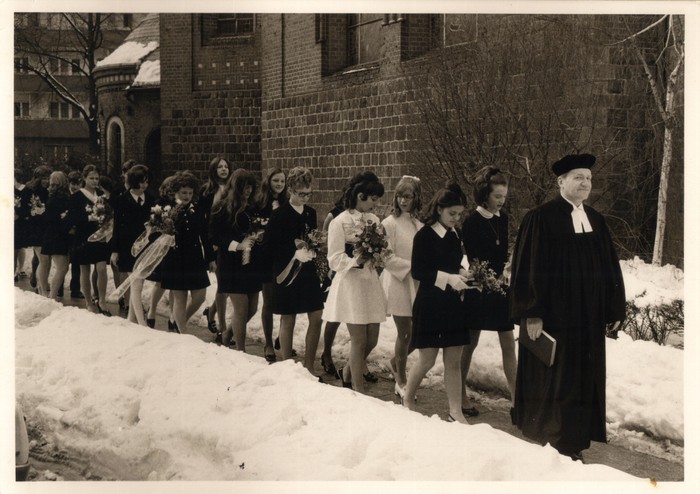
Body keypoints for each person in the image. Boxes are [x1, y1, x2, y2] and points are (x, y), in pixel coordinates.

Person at [509, 153, 625, 461]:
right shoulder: (541, 218)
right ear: (561, 182)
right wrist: (532, 313)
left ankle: (574, 440)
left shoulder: (596, 220)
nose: (586, 183)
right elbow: (530, 268)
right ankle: (555, 441)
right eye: (578, 177)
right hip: (556, 316)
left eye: (589, 178)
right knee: (558, 377)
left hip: (588, 318)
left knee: (582, 377)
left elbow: (610, 268)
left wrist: (614, 307)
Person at [403, 182, 477, 424]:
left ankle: (455, 412)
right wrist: (449, 278)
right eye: (452, 213)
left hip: (452, 305)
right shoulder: (424, 235)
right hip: (430, 305)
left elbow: (452, 263)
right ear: (438, 209)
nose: (456, 218)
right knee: (427, 359)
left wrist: (462, 273)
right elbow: (419, 271)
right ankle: (407, 398)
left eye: (459, 214)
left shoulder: (454, 234)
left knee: (453, 361)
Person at [322, 171, 390, 394]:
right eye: (373, 199)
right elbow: (334, 258)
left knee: (372, 339)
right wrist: (355, 261)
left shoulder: (374, 221)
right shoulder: (339, 221)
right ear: (361, 196)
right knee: (358, 339)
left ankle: (348, 370)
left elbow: (382, 248)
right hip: (351, 285)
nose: (375, 204)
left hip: (369, 283)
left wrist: (379, 255)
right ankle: (357, 388)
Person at [460, 166, 515, 417]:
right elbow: (474, 259)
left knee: (508, 342)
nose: (501, 201)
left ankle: (516, 399)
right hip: (479, 287)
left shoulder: (503, 218)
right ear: (485, 195)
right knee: (470, 342)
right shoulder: (472, 221)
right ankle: (460, 393)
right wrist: (486, 277)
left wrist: (507, 269)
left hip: (500, 287)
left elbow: (502, 252)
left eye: (504, 196)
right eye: (497, 196)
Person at [263, 167, 323, 373]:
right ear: (290, 190)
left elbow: (312, 238)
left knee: (317, 315)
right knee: (288, 317)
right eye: (301, 194)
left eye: (308, 194)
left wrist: (313, 251)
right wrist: (292, 253)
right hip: (286, 273)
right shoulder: (279, 214)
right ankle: (287, 367)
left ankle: (309, 366)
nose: (305, 198)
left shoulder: (310, 213)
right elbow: (268, 247)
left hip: (308, 272)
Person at [209, 169, 262, 350]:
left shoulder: (252, 207)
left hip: (251, 264)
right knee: (241, 308)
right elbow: (214, 235)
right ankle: (241, 350)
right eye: (244, 187)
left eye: (250, 187)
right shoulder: (222, 207)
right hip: (230, 264)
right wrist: (236, 245)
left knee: (252, 309)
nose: (248, 191)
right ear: (236, 187)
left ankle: (228, 333)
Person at [380, 175, 423, 399]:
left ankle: (395, 362)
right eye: (400, 196)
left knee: (418, 333)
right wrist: (413, 267)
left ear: (416, 198)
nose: (403, 201)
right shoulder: (389, 224)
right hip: (398, 282)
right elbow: (387, 258)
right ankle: (401, 381)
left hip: (416, 282)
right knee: (405, 332)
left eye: (408, 196)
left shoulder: (418, 224)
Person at [159, 171, 216, 333]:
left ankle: (179, 322)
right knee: (180, 297)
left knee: (200, 296)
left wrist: (210, 258)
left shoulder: (197, 209)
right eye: (184, 192)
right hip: (175, 257)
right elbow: (159, 234)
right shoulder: (168, 209)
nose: (187, 196)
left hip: (194, 256)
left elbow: (204, 235)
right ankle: (182, 332)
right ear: (176, 192)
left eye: (190, 193)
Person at [110, 164, 154, 324]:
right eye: (142, 181)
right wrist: (115, 250)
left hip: (144, 246)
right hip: (127, 247)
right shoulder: (122, 200)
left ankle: (130, 320)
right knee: (136, 283)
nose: (145, 185)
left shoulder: (150, 199)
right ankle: (141, 323)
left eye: (147, 181)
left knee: (138, 282)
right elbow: (116, 227)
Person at [68, 164, 111, 315]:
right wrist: (88, 218)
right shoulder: (76, 196)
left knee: (102, 268)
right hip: (83, 236)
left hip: (100, 236)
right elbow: (73, 218)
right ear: (84, 178)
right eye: (91, 178)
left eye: (96, 178)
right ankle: (88, 302)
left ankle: (102, 300)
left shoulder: (102, 195)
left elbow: (109, 213)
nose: (94, 181)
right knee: (85, 269)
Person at [256, 168, 288, 362]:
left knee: (285, 301)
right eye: (276, 180)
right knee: (268, 301)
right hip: (266, 258)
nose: (279, 184)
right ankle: (268, 342)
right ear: (268, 181)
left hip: (283, 258)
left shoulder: (286, 203)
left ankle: (282, 338)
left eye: (282, 181)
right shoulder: (260, 204)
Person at [200, 156, 233, 337]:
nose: (223, 169)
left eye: (226, 166)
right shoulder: (207, 192)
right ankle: (222, 327)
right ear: (214, 170)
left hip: (230, 240)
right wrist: (209, 250)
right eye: (220, 167)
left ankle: (211, 311)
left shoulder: (232, 189)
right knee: (223, 286)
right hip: (214, 242)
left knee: (227, 286)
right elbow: (204, 222)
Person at [318, 189, 347, 377]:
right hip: (336, 268)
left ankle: (359, 363)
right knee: (335, 313)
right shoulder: (334, 215)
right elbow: (324, 242)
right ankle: (326, 353)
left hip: (356, 271)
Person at [37, 171, 72, 300]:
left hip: (50, 233)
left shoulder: (51, 196)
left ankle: (44, 291)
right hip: (59, 235)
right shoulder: (62, 197)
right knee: (62, 267)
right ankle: (52, 295)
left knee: (47, 263)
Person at [25, 165, 52, 290]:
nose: (46, 181)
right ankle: (37, 279)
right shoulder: (30, 190)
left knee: (45, 255)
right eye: (44, 178)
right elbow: (26, 207)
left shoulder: (50, 191)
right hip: (35, 226)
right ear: (37, 178)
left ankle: (41, 279)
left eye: (48, 178)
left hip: (47, 225)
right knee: (40, 256)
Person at [67, 171, 84, 299]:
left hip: (77, 232)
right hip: (66, 232)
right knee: (63, 261)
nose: (75, 187)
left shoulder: (82, 196)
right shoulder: (65, 196)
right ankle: (59, 288)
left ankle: (75, 289)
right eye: (73, 184)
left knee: (76, 262)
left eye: (78, 184)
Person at [14, 167, 31, 282]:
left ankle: (20, 268)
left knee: (19, 246)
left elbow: (27, 207)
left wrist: (18, 214)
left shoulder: (25, 190)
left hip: (20, 222)